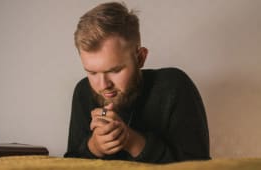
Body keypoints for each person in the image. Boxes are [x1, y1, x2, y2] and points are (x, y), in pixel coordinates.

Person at [64, 2, 210, 163]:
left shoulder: (174, 86)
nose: (103, 85)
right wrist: (94, 146)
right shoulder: (83, 91)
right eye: (92, 72)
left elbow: (198, 164)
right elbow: (69, 162)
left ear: (140, 58)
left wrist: (131, 141)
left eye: (114, 70)